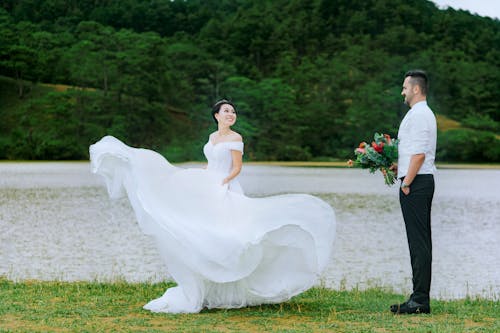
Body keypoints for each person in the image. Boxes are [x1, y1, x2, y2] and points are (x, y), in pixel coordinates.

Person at [89, 99, 336, 313]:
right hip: (209, 184)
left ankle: (234, 288)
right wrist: (199, 175)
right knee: (201, 234)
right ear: (217, 116)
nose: (231, 114)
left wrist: (223, 182)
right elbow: (211, 163)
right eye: (226, 111)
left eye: (233, 112)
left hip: (226, 187)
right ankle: (209, 288)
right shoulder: (212, 137)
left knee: (229, 237)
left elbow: (237, 167)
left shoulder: (236, 138)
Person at [390, 70, 437, 314]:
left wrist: (406, 182)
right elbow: (415, 153)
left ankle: (419, 301)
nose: (403, 92)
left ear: (416, 89)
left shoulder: (420, 115)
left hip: (416, 184)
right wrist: (400, 167)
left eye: (405, 87)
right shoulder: (419, 114)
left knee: (418, 242)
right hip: (417, 180)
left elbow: (419, 155)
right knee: (419, 241)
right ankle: (419, 297)